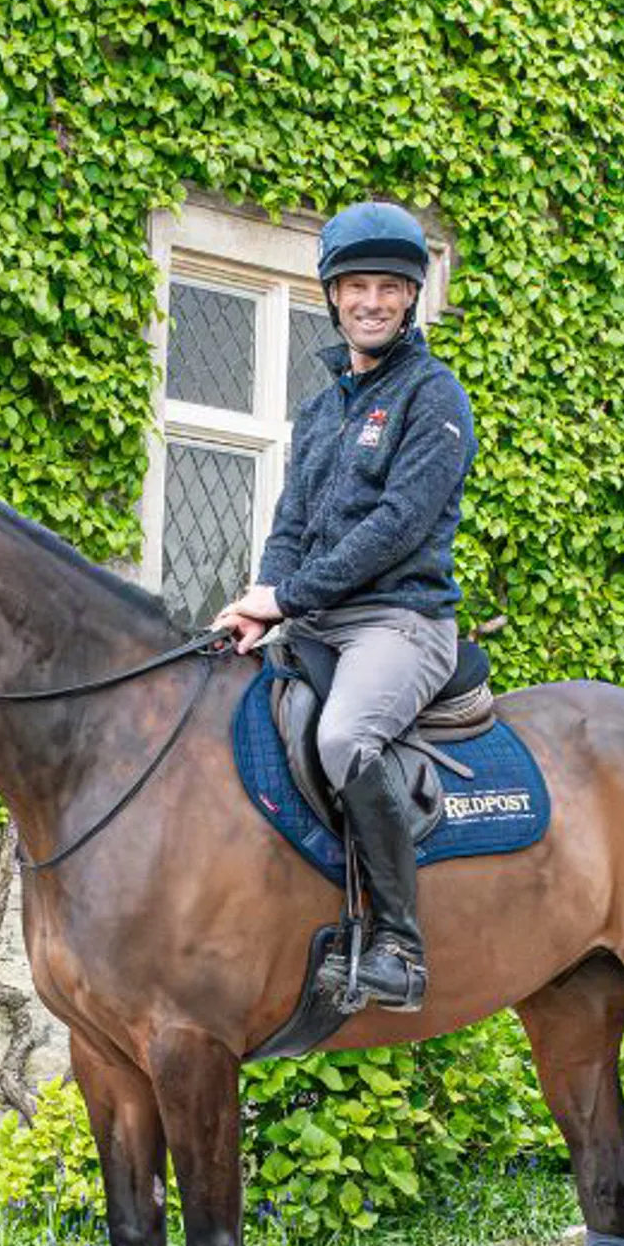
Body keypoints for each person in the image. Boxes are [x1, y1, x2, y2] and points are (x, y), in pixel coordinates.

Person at [213, 200, 478, 1012]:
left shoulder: (435, 398)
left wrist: (287, 596)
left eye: (388, 287)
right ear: (332, 296)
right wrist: (263, 604)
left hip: (401, 621)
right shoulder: (323, 408)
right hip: (317, 620)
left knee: (345, 735)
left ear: (411, 298)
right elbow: (291, 521)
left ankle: (399, 942)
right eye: (354, 286)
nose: (370, 300)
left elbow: (397, 527)